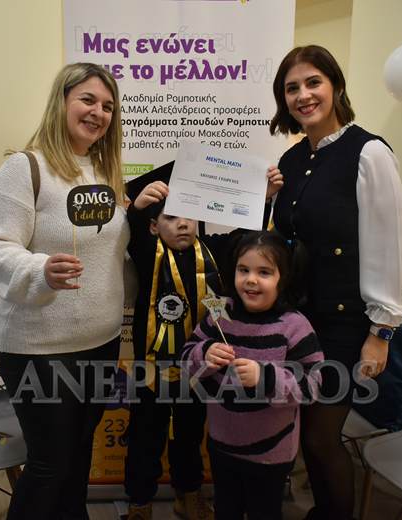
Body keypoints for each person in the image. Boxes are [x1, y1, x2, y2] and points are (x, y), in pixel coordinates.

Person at [0, 62, 130, 520]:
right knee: (50, 464)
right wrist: (40, 270)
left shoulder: (105, 172)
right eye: (87, 100)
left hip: (101, 341)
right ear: (61, 102)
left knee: (80, 453)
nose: (98, 112)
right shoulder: (24, 168)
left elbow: (111, 252)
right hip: (39, 347)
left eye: (108, 106)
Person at [268, 45, 402, 519]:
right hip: (300, 321)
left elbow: (390, 245)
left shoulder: (369, 152)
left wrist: (382, 332)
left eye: (313, 83)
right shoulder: (291, 160)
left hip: (347, 325)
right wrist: (266, 200)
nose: (303, 95)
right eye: (292, 88)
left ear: (336, 86)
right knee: (306, 432)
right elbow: (284, 241)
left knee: (320, 437)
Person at [122, 168, 281, 520]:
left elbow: (245, 237)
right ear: (154, 226)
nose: (182, 224)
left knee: (190, 435)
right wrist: (137, 209)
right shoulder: (148, 254)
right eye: (171, 218)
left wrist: (264, 198)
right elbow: (131, 236)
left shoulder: (213, 252)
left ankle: (188, 495)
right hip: (153, 368)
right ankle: (139, 503)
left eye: (189, 216)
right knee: (145, 437)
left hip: (198, 366)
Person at [181, 230, 324, 520]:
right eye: (243, 270)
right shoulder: (220, 315)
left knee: (264, 512)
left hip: (271, 455)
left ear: (283, 278)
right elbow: (186, 358)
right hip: (221, 446)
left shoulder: (294, 326)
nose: (251, 280)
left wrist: (265, 377)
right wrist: (204, 354)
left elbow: (312, 385)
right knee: (226, 510)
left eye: (264, 272)